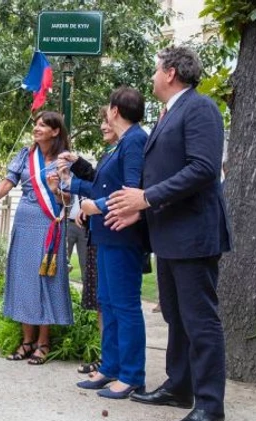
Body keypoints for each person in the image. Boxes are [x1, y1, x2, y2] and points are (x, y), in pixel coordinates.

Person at [105, 46, 231, 421]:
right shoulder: (169, 114)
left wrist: (146, 197)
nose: (153, 77)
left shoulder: (200, 108)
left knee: (200, 321)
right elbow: (160, 173)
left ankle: (211, 408)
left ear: (172, 72)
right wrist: (138, 207)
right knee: (176, 317)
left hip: (194, 234)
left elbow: (204, 169)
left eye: (156, 70)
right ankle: (179, 387)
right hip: (171, 234)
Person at [63, 87, 148, 399]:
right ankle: (110, 366)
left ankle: (132, 374)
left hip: (122, 234)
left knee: (125, 305)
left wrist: (94, 206)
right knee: (108, 302)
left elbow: (132, 188)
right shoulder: (121, 143)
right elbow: (105, 182)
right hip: (106, 233)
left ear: (114, 110)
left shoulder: (135, 140)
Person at [0, 111, 73, 364]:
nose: (37, 127)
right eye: (36, 123)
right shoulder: (25, 155)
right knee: (23, 279)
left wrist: (57, 190)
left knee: (45, 278)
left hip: (49, 223)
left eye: (43, 125)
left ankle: (44, 342)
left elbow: (69, 199)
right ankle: (27, 341)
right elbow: (9, 180)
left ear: (55, 131)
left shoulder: (64, 160)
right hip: (24, 222)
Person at [65, 105, 113, 375]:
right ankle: (108, 359)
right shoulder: (111, 152)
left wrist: (92, 205)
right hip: (98, 229)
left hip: (114, 233)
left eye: (107, 121)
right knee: (101, 301)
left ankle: (114, 363)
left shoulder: (129, 148)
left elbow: (108, 189)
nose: (103, 127)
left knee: (114, 303)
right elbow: (97, 181)